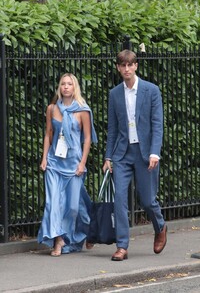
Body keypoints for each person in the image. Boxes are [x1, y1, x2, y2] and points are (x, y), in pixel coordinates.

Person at [103, 49, 167, 261]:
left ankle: (160, 226)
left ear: (136, 66)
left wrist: (154, 153)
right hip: (122, 154)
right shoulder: (114, 94)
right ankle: (122, 246)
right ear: (118, 68)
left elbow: (157, 125)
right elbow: (112, 128)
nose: (127, 69)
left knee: (148, 200)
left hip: (145, 153)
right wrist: (108, 157)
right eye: (123, 65)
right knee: (120, 198)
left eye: (130, 65)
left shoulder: (151, 90)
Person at [37, 73, 97, 256]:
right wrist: (44, 158)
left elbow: (87, 139)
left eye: (69, 84)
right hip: (55, 163)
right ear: (59, 87)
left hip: (74, 164)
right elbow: (49, 134)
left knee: (72, 206)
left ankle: (84, 231)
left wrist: (82, 163)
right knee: (52, 203)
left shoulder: (82, 110)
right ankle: (58, 239)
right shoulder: (52, 108)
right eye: (63, 84)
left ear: (75, 87)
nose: (66, 87)